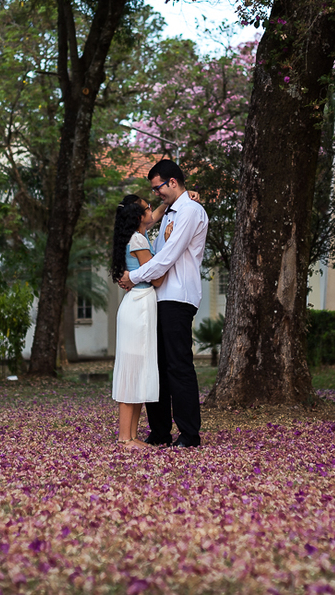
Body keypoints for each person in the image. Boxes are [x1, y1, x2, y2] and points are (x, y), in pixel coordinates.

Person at [118, 159, 208, 449]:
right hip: (158, 299)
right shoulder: (171, 212)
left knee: (178, 366)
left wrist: (133, 276)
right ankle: (159, 432)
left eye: (158, 187)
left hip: (178, 297)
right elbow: (154, 248)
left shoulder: (191, 211)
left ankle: (189, 434)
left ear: (172, 182)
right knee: (155, 366)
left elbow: (167, 258)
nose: (155, 193)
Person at [109, 194, 164, 449]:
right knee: (132, 370)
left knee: (136, 370)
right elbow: (156, 279)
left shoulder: (133, 236)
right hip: (140, 305)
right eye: (148, 207)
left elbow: (155, 217)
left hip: (137, 304)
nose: (152, 210)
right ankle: (125, 438)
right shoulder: (139, 239)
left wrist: (167, 205)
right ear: (140, 215)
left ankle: (131, 436)